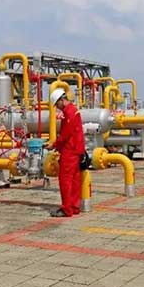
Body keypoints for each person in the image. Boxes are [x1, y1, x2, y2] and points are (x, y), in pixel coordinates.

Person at [46, 88, 85, 217]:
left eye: (57, 104)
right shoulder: (73, 110)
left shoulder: (69, 112)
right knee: (74, 179)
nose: (57, 107)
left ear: (61, 100)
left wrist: (54, 145)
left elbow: (65, 134)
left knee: (65, 179)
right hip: (76, 149)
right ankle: (74, 207)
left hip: (70, 150)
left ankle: (66, 209)